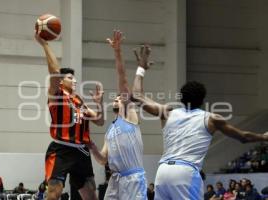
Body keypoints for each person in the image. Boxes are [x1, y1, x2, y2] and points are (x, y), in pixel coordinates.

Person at [131, 45, 268, 200]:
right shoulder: (211, 119)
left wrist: (141, 69)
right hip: (185, 172)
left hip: (162, 173)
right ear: (203, 100)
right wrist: (264, 137)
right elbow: (243, 137)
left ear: (181, 97)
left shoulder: (167, 113)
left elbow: (136, 96)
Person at [35, 32, 105, 200]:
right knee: (54, 193)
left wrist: (99, 103)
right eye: (70, 78)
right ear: (61, 81)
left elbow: (100, 121)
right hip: (61, 149)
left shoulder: (79, 101)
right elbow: (55, 72)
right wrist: (45, 44)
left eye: (75, 78)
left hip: (81, 150)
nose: (74, 81)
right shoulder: (57, 94)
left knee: (91, 195)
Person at [88, 30, 147, 200]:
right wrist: (92, 147)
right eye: (114, 98)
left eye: (119, 97)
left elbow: (122, 78)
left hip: (133, 179)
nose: (116, 98)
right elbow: (102, 159)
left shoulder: (129, 115)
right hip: (115, 180)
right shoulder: (110, 131)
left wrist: (117, 51)